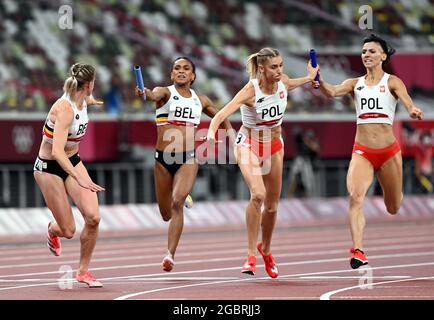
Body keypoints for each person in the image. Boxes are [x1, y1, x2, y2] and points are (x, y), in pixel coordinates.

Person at [206, 47, 318, 278]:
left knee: (273, 206)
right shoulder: (250, 89)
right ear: (262, 68)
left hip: (275, 147)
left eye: (281, 66)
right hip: (248, 143)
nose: (279, 71)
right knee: (258, 195)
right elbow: (221, 114)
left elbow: (292, 82)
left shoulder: (283, 82)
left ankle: (265, 249)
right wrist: (210, 133)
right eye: (274, 67)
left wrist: (309, 77)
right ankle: (250, 255)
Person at [316, 34, 424, 269]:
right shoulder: (355, 83)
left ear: (383, 56)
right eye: (364, 51)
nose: (366, 54)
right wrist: (320, 81)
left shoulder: (392, 81)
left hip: (388, 152)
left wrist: (413, 109)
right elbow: (333, 91)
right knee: (355, 198)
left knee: (393, 207)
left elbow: (406, 100)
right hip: (362, 151)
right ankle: (358, 251)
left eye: (372, 51)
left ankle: (396, 194)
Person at [135, 57, 232, 272]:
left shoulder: (202, 100)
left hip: (188, 158)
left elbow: (222, 116)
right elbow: (152, 94)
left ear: (193, 76)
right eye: (177, 68)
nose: (181, 72)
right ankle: (182, 194)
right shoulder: (165, 92)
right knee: (165, 214)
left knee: (177, 203)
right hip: (163, 159)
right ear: (171, 75)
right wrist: (145, 93)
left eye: (186, 69)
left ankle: (170, 255)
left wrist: (226, 136)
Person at [33, 63, 105, 287]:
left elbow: (88, 101)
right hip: (49, 167)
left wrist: (93, 101)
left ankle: (83, 271)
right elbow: (56, 152)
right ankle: (52, 229)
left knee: (93, 218)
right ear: (90, 84)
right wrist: (79, 178)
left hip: (72, 160)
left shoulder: (84, 98)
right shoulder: (64, 109)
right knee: (69, 230)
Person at [288, 127, 321, 198]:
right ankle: (289, 196)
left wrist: (309, 142)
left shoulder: (313, 143)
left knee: (308, 182)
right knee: (293, 177)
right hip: (300, 160)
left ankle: (308, 197)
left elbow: (316, 149)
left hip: (307, 162)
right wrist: (305, 141)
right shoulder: (302, 141)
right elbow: (296, 134)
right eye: (307, 136)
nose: (308, 138)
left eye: (310, 137)